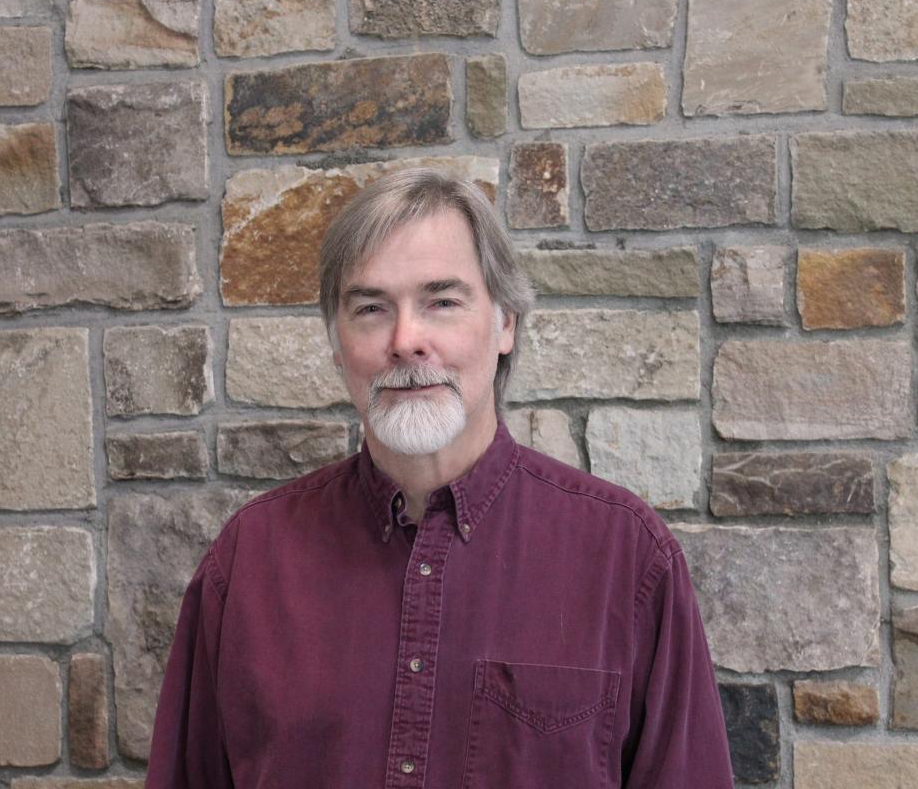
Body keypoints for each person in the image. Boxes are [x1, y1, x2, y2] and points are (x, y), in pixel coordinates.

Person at [146, 168, 733, 788]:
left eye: (442, 302)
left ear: (505, 323)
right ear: (336, 344)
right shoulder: (249, 561)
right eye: (371, 309)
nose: (406, 340)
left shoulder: (625, 558)